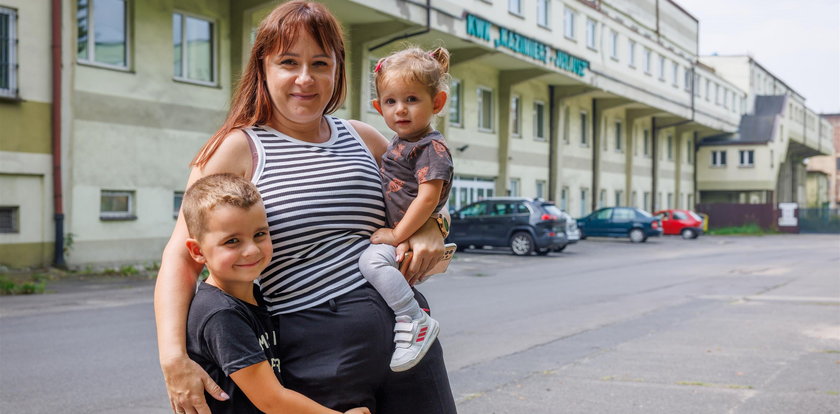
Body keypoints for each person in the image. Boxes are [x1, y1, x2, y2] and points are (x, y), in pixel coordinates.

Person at [153, 1, 457, 414]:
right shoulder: (237, 150)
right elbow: (181, 254)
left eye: (320, 63)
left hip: (409, 343)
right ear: (263, 68)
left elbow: (424, 199)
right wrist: (173, 358)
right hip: (316, 359)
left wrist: (432, 228)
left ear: (338, 69)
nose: (305, 78)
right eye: (288, 62)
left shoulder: (365, 138)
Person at [180, 173, 369, 414]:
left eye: (260, 234)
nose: (251, 250)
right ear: (197, 251)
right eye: (232, 241)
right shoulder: (220, 313)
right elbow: (271, 400)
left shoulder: (256, 296)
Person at [358, 47, 454, 373]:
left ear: (437, 103)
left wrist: (398, 234)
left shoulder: (430, 147)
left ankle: (413, 319)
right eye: (391, 101)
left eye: (412, 100)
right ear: (378, 107)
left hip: (405, 236)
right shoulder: (399, 143)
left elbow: (428, 198)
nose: (401, 109)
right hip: (407, 236)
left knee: (370, 261)